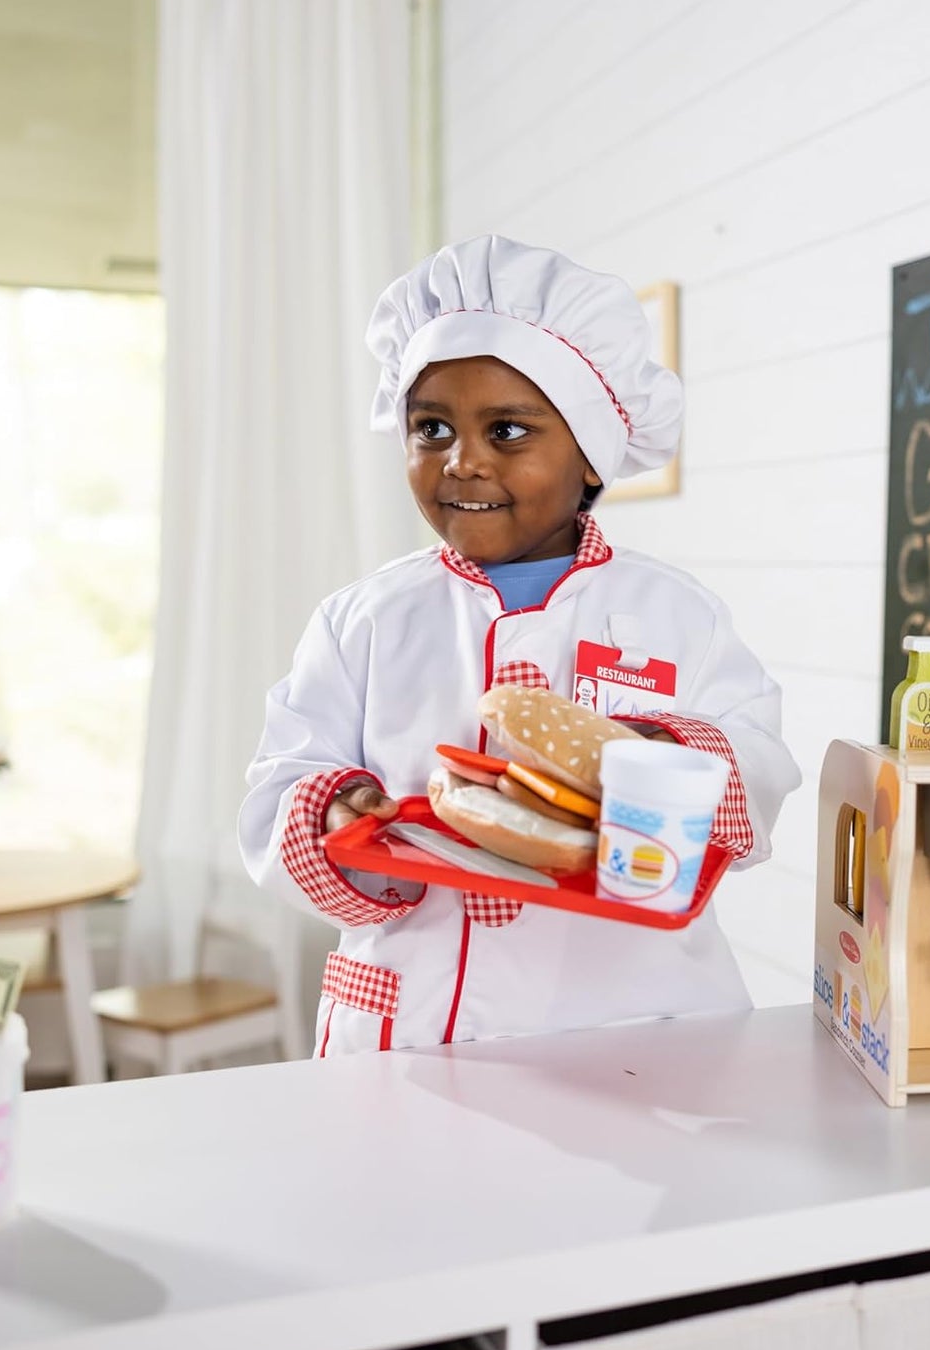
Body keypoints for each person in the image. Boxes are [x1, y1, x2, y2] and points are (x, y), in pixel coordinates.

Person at [239, 235, 801, 1057]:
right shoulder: (362, 620)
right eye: (430, 428)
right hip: (417, 1026)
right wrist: (334, 810)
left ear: (592, 460)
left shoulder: (678, 614)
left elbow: (760, 774)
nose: (461, 463)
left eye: (507, 431)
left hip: (634, 1029)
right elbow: (274, 792)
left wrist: (659, 753)